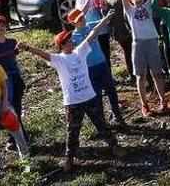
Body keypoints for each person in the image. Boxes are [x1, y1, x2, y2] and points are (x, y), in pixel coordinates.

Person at [19, 13, 125, 172]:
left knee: (101, 123)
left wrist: (106, 19)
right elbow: (43, 54)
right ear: (62, 45)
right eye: (68, 41)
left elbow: (93, 33)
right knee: (72, 132)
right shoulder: (58, 59)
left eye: (71, 40)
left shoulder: (80, 51)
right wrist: (27, 47)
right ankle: (69, 158)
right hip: (73, 102)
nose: (72, 42)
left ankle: (114, 146)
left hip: (89, 97)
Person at [111, 0, 168, 117]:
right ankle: (145, 105)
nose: (138, 0)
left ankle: (163, 101)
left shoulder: (148, 6)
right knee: (140, 75)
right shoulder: (129, 10)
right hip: (138, 43)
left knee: (157, 73)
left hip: (152, 40)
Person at [0, 44, 29, 177]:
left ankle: (25, 158)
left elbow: (4, 86)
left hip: (0, 101)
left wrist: (4, 104)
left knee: (15, 127)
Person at [0, 16, 28, 150]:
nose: (0, 28)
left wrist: (23, 47)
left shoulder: (12, 42)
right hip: (3, 82)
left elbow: (15, 54)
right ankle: (12, 139)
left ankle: (20, 134)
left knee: (17, 106)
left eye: (2, 25)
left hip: (15, 77)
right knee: (7, 108)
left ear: (6, 27)